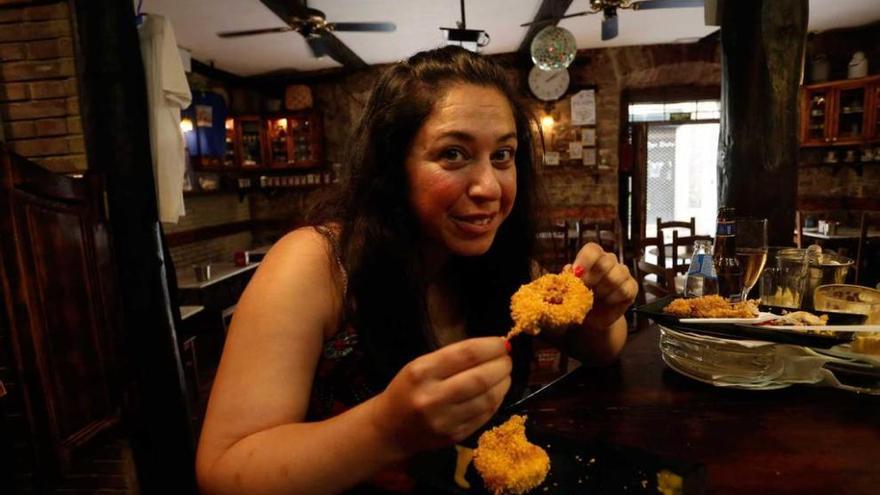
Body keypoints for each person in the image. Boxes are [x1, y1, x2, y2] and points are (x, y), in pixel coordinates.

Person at [196, 46, 637, 494]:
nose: (489, 186)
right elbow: (223, 470)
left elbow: (603, 347)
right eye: (453, 154)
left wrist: (602, 316)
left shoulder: (508, 265)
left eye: (502, 155)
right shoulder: (316, 263)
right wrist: (384, 429)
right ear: (392, 166)